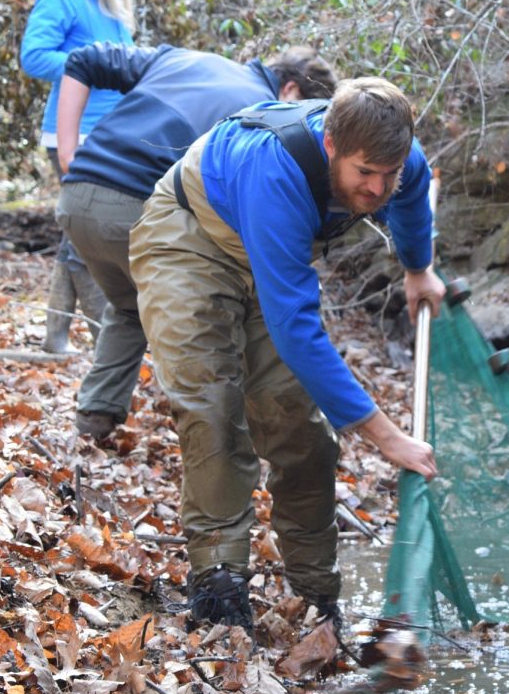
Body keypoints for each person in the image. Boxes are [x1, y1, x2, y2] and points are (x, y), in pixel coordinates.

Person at [129, 77, 444, 635]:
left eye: (387, 174)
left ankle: (317, 591)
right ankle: (220, 582)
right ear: (331, 147)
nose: (377, 188)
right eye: (364, 173)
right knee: (212, 405)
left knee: (298, 425)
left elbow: (414, 197)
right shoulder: (277, 167)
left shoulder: (400, 159)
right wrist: (386, 435)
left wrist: (418, 268)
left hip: (270, 254)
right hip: (190, 238)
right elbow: (297, 330)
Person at [54, 42, 338, 441]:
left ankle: (94, 418)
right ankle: (217, 431)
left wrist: (69, 151)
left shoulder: (184, 58)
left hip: (76, 200)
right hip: (136, 206)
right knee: (219, 301)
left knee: (129, 306)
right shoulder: (266, 118)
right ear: (290, 90)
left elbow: (83, 59)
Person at [20, 0, 141, 354]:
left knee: (78, 234)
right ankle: (100, 340)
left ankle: (55, 339)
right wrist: (90, 70)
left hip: (108, 133)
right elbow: (33, 56)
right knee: (89, 240)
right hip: (74, 133)